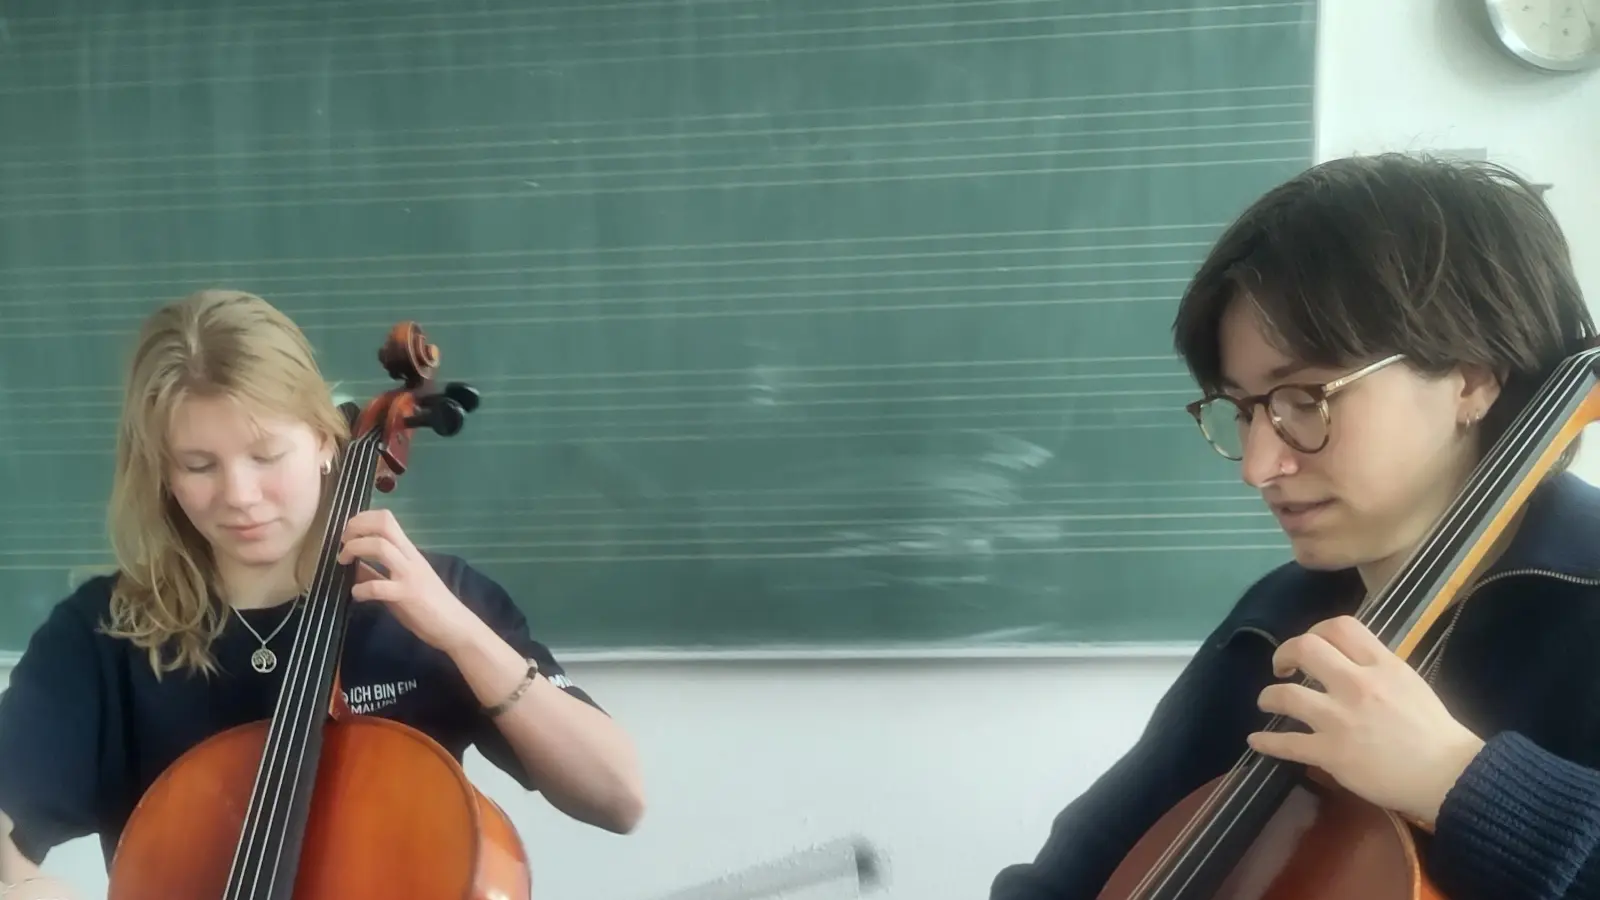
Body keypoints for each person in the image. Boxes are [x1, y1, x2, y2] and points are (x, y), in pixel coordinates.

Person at [989, 153, 1600, 900]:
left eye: (1306, 398)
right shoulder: (1275, 623)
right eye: (1245, 409)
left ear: (1470, 378)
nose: (1257, 464)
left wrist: (1460, 782)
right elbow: (1067, 878)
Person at [0, 289, 646, 899]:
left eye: (266, 455)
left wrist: (463, 636)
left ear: (323, 441)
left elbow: (617, 799)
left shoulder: (436, 595)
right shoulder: (106, 633)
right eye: (199, 466)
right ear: (164, 473)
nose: (240, 496)